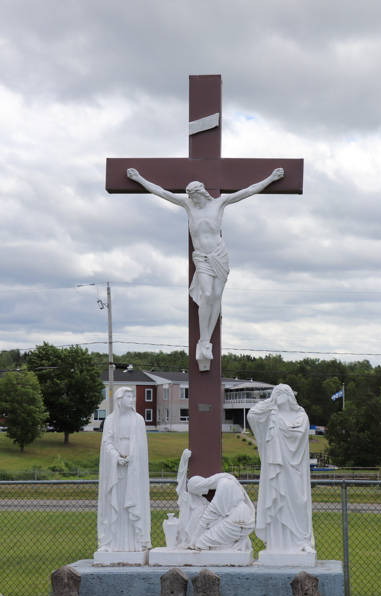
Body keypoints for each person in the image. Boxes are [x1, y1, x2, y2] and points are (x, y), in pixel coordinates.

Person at [127, 167, 284, 362]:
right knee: (207, 294)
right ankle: (203, 340)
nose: (195, 201)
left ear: (203, 193)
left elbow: (249, 190)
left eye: (196, 197)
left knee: (217, 295)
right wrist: (139, 178)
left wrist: (270, 178)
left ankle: (206, 341)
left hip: (219, 255)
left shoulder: (220, 203)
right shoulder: (187, 205)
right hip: (201, 257)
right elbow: (161, 191)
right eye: (192, 198)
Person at [247, 384, 314, 555]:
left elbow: (299, 438)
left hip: (294, 468)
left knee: (299, 503)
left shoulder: (301, 416)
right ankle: (276, 544)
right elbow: (252, 415)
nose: (277, 396)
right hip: (275, 470)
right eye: (275, 393)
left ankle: (302, 541)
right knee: (277, 503)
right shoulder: (271, 415)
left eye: (281, 393)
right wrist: (270, 401)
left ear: (289, 396)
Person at [97, 387, 151, 553]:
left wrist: (133, 457)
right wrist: (116, 457)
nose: (132, 399)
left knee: (133, 499)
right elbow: (107, 443)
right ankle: (112, 542)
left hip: (134, 468)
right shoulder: (111, 420)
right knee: (117, 502)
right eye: (128, 396)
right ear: (119, 399)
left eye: (132, 396)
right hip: (117, 470)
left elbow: (141, 445)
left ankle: (136, 542)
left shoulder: (139, 420)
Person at [174, 449, 255, 551]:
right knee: (203, 540)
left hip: (237, 519)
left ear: (200, 486)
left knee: (200, 542)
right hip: (235, 516)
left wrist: (194, 538)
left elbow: (212, 512)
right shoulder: (225, 479)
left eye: (200, 492)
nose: (202, 494)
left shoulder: (224, 484)